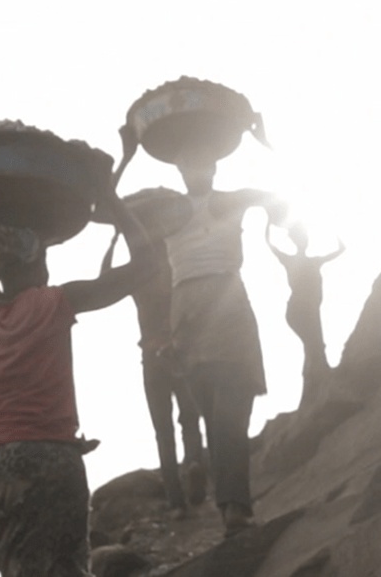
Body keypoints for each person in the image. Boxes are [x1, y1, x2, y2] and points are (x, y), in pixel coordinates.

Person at [0, 156, 155, 577]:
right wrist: (110, 196)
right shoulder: (53, 303)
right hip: (44, 466)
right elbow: (147, 267)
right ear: (35, 260)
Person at [163, 158, 287, 536]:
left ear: (213, 166)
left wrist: (267, 149)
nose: (196, 169)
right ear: (180, 169)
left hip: (224, 302)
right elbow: (109, 211)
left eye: (202, 160)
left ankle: (234, 506)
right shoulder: (166, 210)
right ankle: (231, 506)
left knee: (227, 414)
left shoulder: (233, 200)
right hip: (187, 314)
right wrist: (125, 159)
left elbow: (277, 202)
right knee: (215, 417)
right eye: (189, 160)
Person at [99, 188, 205, 517]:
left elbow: (104, 280)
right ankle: (196, 474)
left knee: (163, 430)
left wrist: (114, 242)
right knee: (189, 419)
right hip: (180, 351)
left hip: (152, 355)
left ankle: (177, 500)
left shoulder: (138, 273)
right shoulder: (172, 266)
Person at [265, 222, 344, 402]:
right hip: (301, 309)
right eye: (302, 237)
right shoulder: (294, 260)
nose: (305, 240)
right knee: (315, 347)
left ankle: (313, 391)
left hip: (305, 309)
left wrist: (333, 229)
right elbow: (268, 243)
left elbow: (342, 248)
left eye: (305, 237)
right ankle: (321, 389)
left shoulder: (312, 261)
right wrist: (268, 223)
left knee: (314, 348)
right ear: (295, 240)